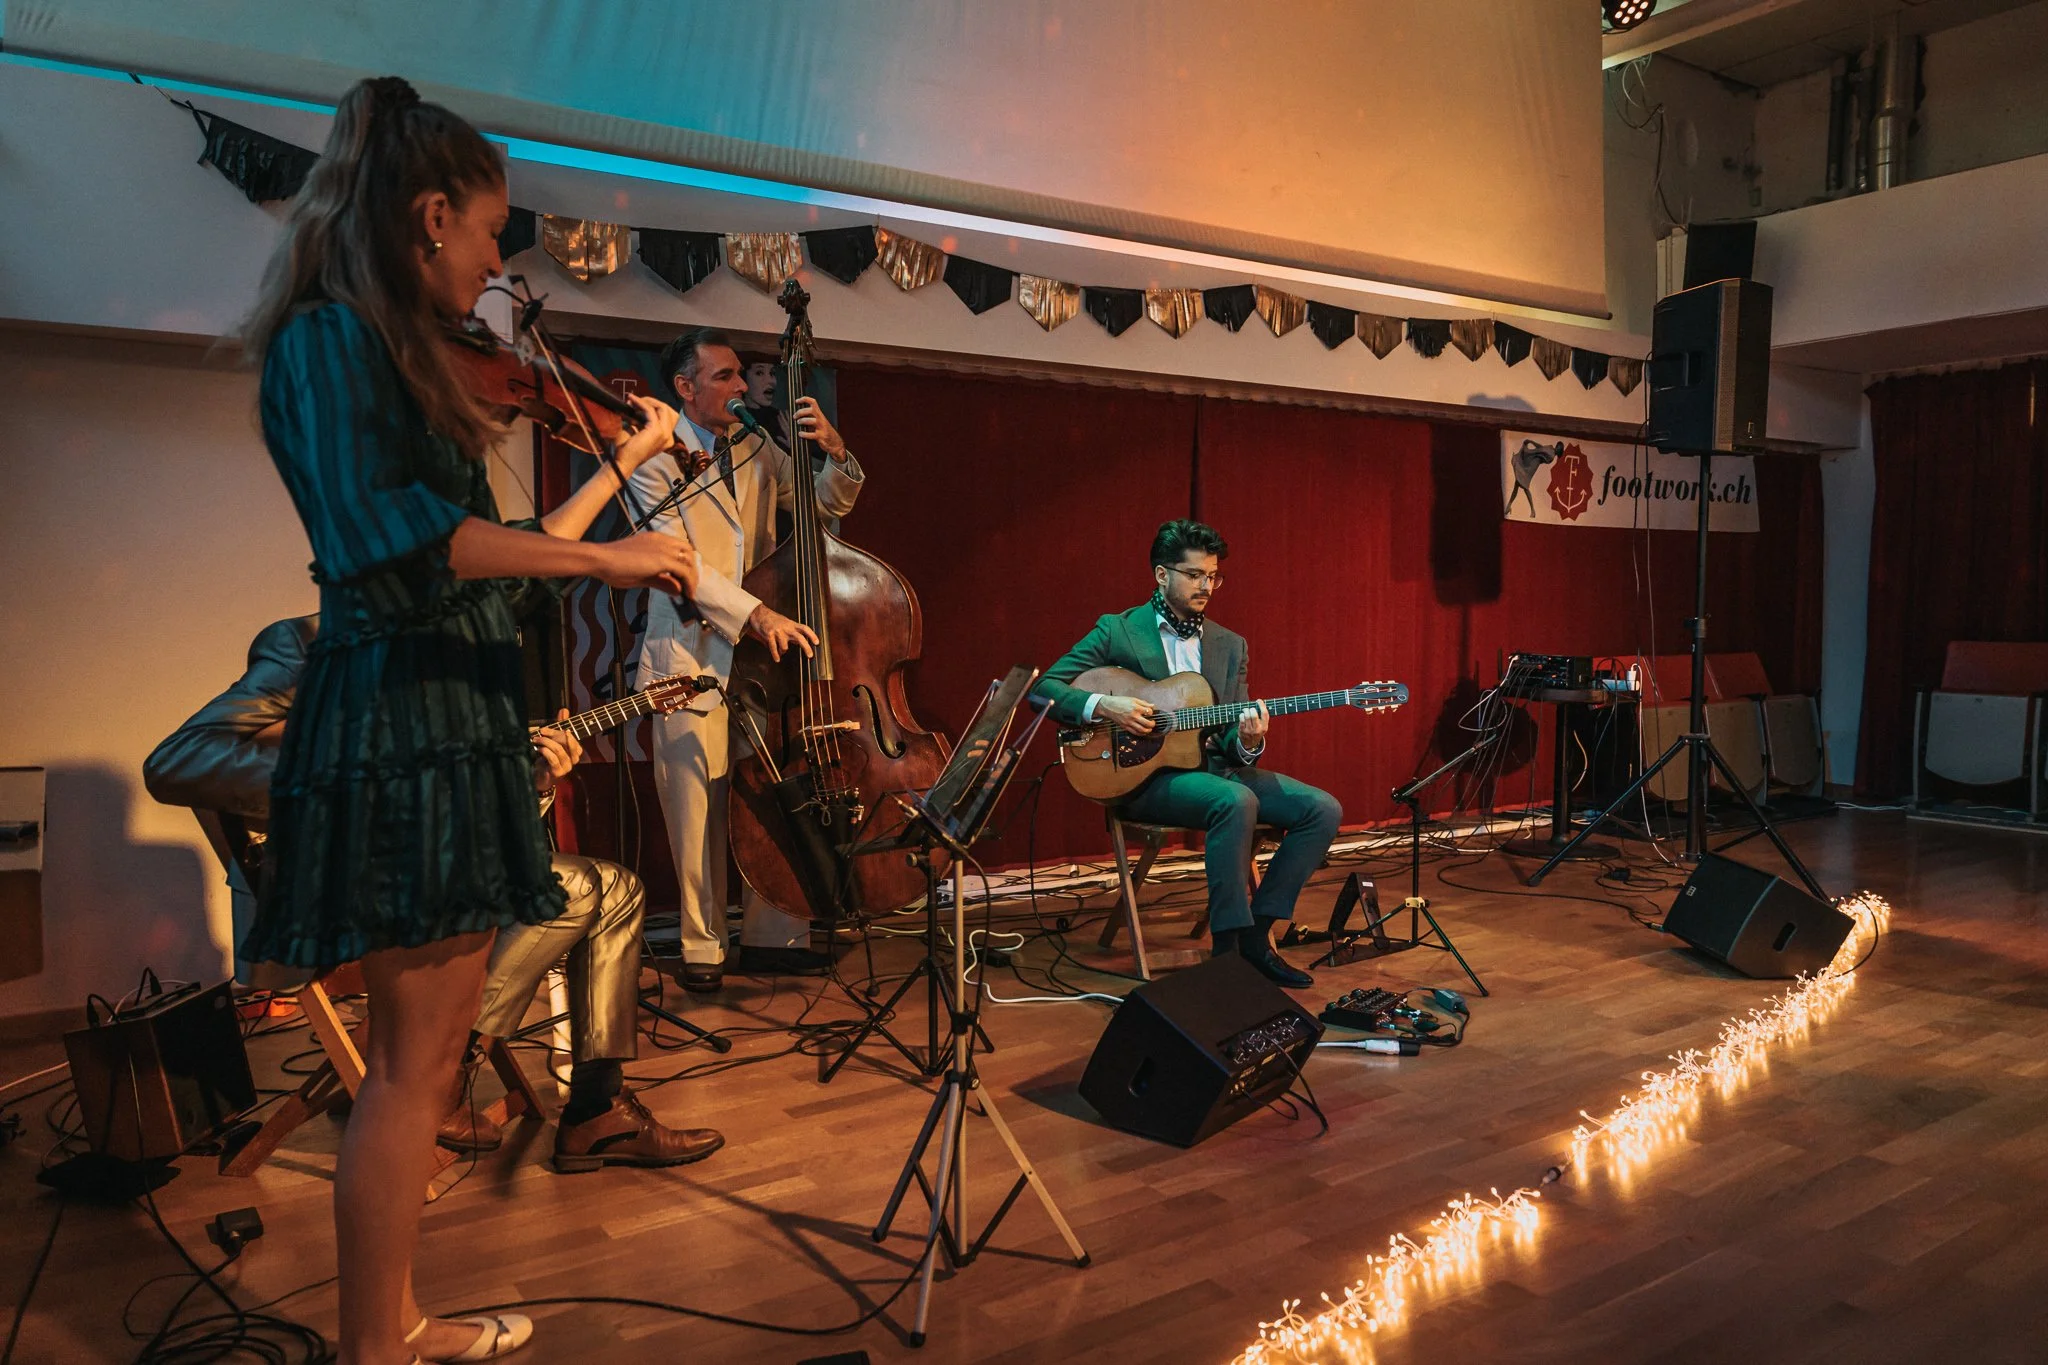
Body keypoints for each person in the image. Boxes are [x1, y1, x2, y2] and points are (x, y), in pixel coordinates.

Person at [238, 76, 697, 1365]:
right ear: (430, 216)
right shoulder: (328, 342)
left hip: (447, 707)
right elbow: (396, 541)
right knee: (411, 1073)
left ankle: (400, 1323)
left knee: (423, 1065)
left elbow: (498, 546)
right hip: (406, 718)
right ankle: (375, 1350)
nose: (500, 263)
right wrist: (607, 569)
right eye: (492, 234)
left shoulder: (374, 345)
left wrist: (612, 499)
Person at [143, 616, 723, 1176]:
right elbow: (182, 759)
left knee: (618, 887)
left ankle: (597, 1112)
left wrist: (538, 780)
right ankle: (439, 1064)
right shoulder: (307, 642)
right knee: (571, 886)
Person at [626, 328, 865, 992]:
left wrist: (834, 452)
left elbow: (817, 507)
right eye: (727, 376)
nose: (742, 388)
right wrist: (756, 613)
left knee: (766, 798)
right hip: (689, 658)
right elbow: (678, 565)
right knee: (696, 810)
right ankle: (703, 948)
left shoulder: (756, 444)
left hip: (759, 664)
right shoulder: (651, 456)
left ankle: (770, 934)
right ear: (686, 387)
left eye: (739, 377)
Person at [1033, 520, 1341, 989]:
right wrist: (1106, 705)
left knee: (1321, 808)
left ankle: (1257, 937)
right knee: (1235, 802)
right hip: (1141, 776)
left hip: (1213, 770)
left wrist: (1250, 740)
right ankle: (1227, 951)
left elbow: (1232, 743)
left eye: (1213, 576)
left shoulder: (1229, 644)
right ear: (1162, 575)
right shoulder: (1117, 630)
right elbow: (1043, 690)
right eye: (1195, 575)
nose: (1206, 586)